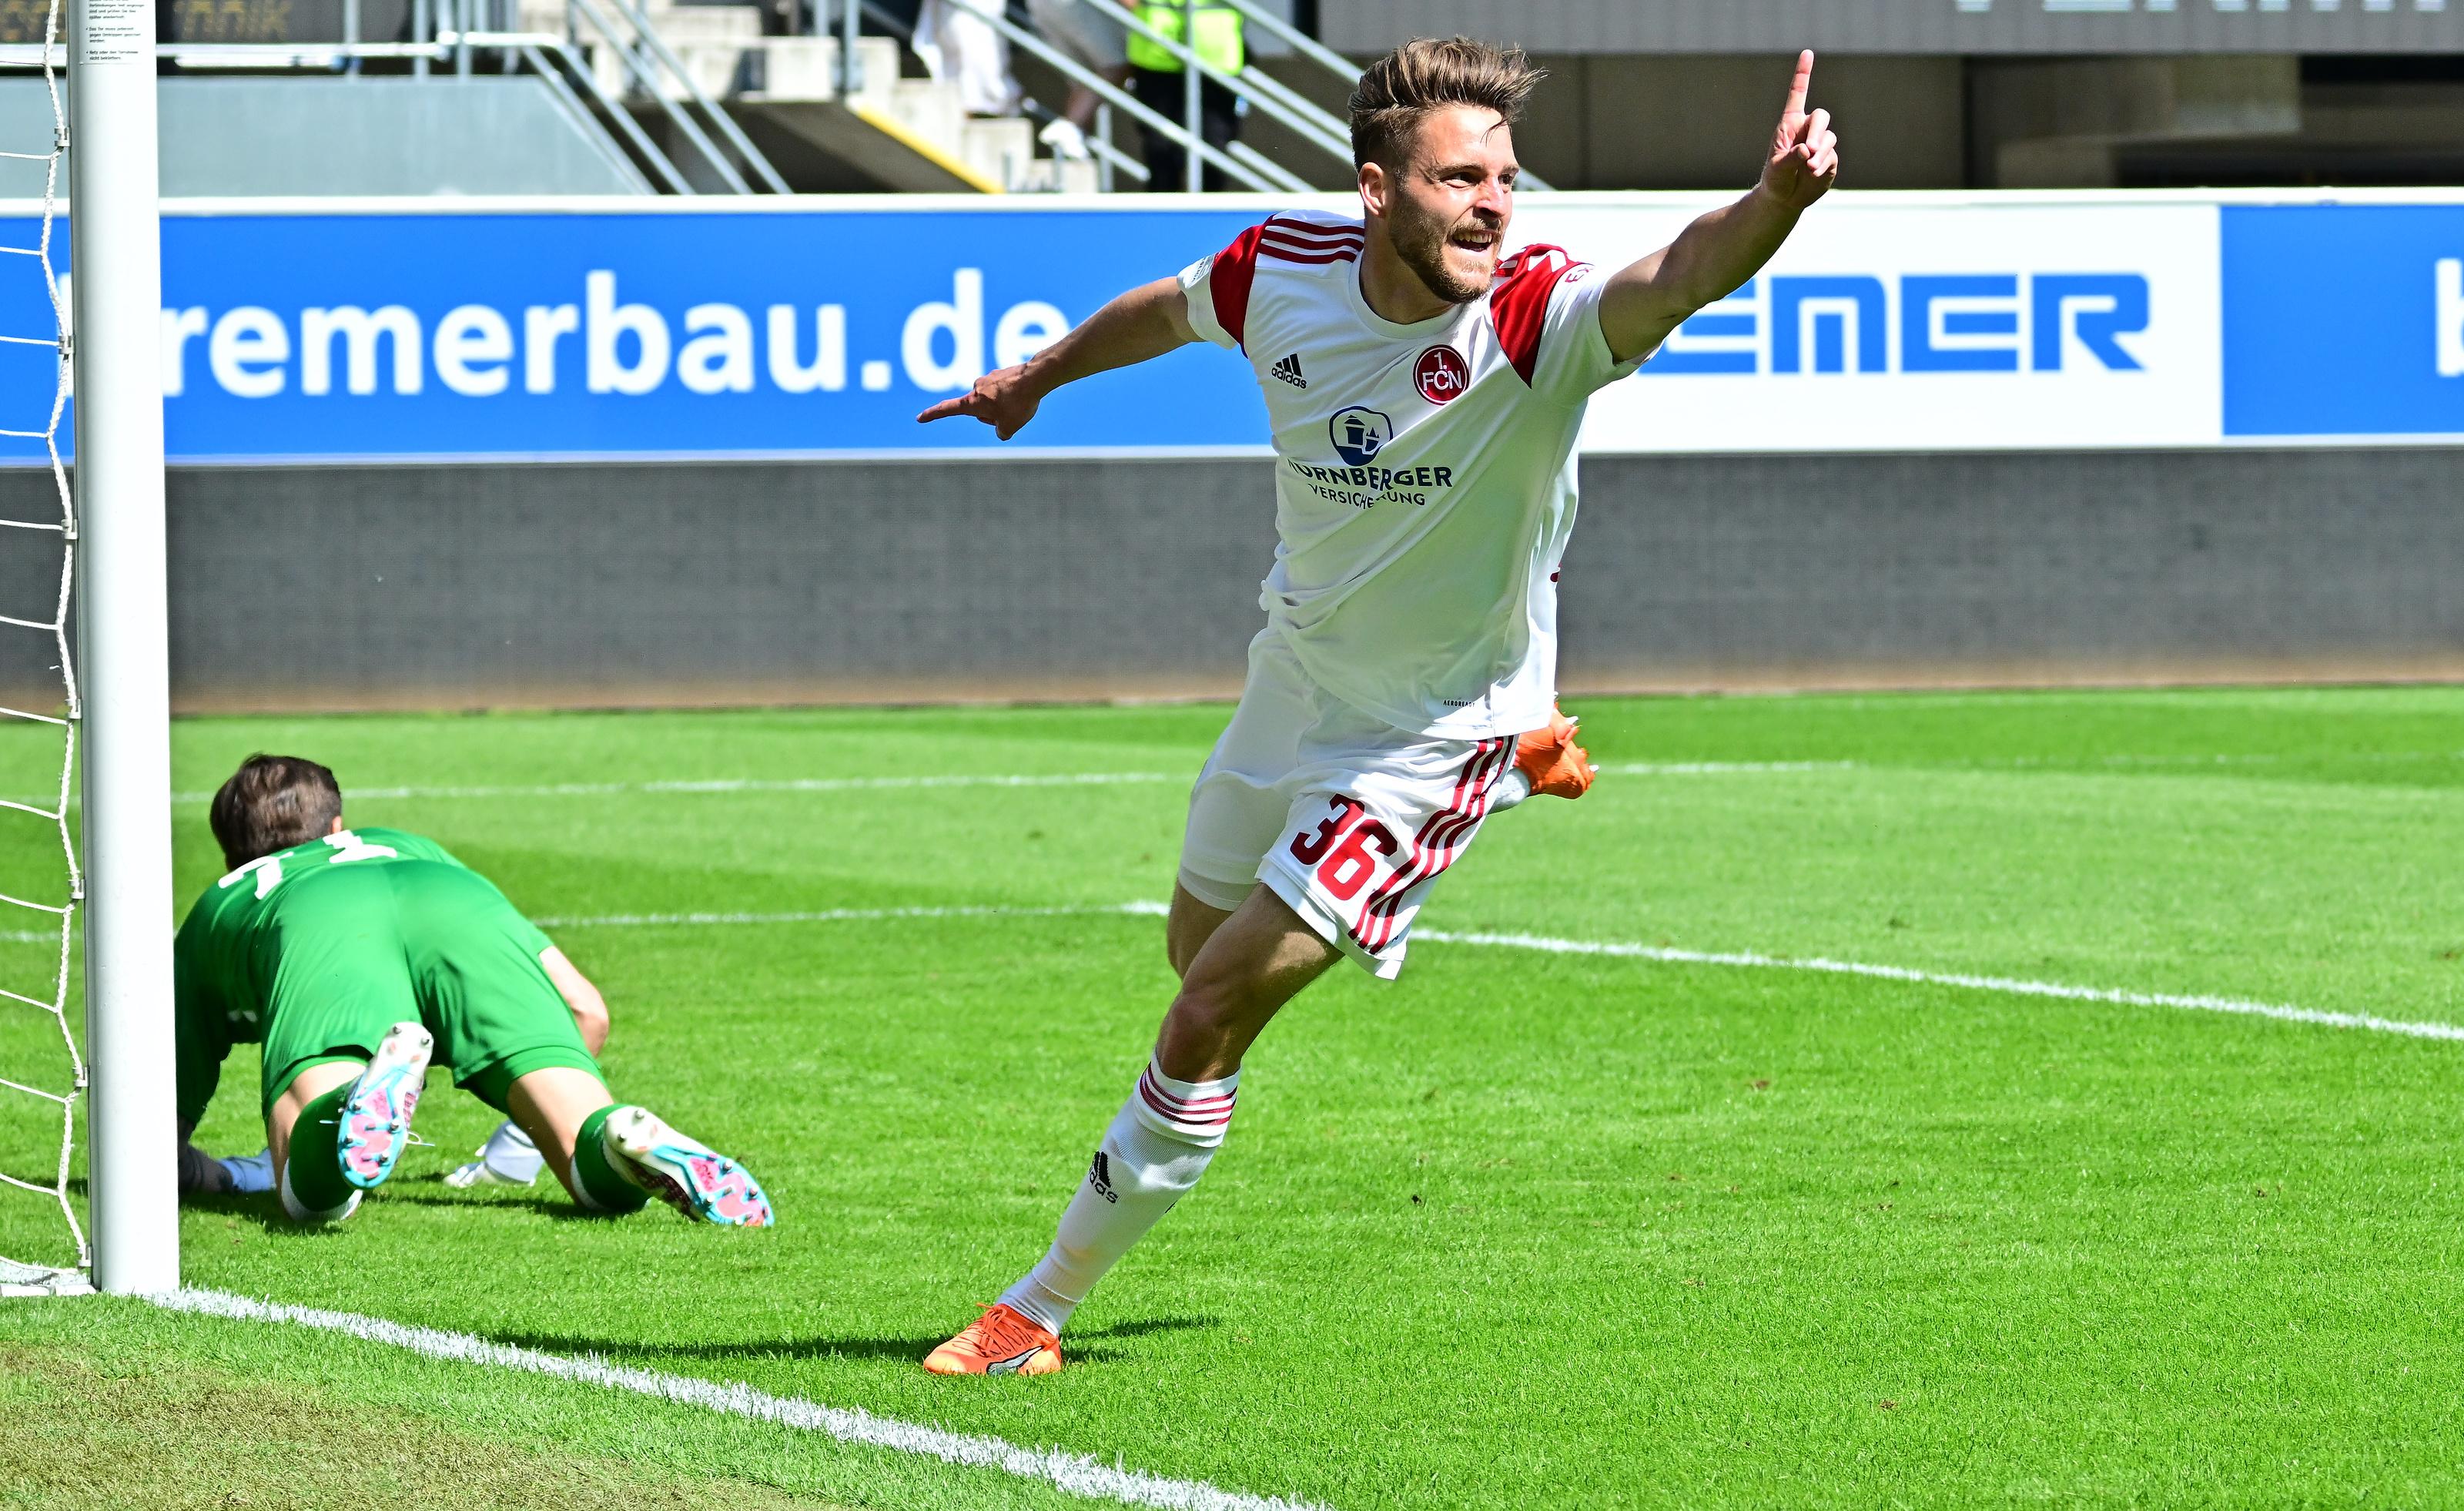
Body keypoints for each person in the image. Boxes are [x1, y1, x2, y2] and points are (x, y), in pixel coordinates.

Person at [912, 36, 1840, 1373]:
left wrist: (1775, 205)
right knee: (1193, 950)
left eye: (1506, 178)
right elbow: (1162, 312)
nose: (1494, 204)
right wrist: (1033, 381)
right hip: (1293, 677)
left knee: (1209, 1007)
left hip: (1422, 737)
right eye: (1462, 178)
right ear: (1376, 190)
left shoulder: (1537, 319)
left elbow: (1677, 275)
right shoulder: (1273, 270)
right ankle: (1525, 749)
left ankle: (1034, 1311)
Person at [175, 754, 774, 1228]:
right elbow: (585, 1009)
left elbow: (155, 1118)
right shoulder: (402, 844)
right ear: (338, 828)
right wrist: (522, 1143)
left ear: (231, 852)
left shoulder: (224, 900)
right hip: (450, 903)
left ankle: (352, 1100)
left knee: (307, 1193)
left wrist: (211, 1173)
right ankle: (621, 1139)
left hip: (317, 922)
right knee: (590, 1168)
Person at [1126, 0, 1242, 191]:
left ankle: (1210, 216)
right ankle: (1161, 215)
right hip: (1155, 56)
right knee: (1161, 149)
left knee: (1213, 149)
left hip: (1215, 57)